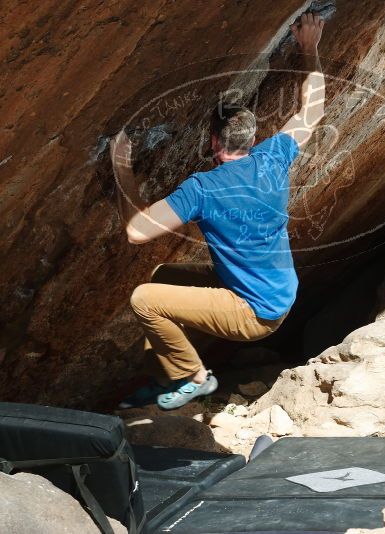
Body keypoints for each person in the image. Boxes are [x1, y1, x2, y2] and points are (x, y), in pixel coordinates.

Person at [109, 12, 326, 410]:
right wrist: (309, 48)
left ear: (212, 142)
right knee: (165, 277)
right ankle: (164, 375)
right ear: (252, 138)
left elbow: (137, 232)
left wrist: (122, 167)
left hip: (253, 312)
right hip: (275, 293)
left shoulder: (202, 189)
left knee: (144, 299)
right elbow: (311, 111)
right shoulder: (273, 158)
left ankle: (194, 378)